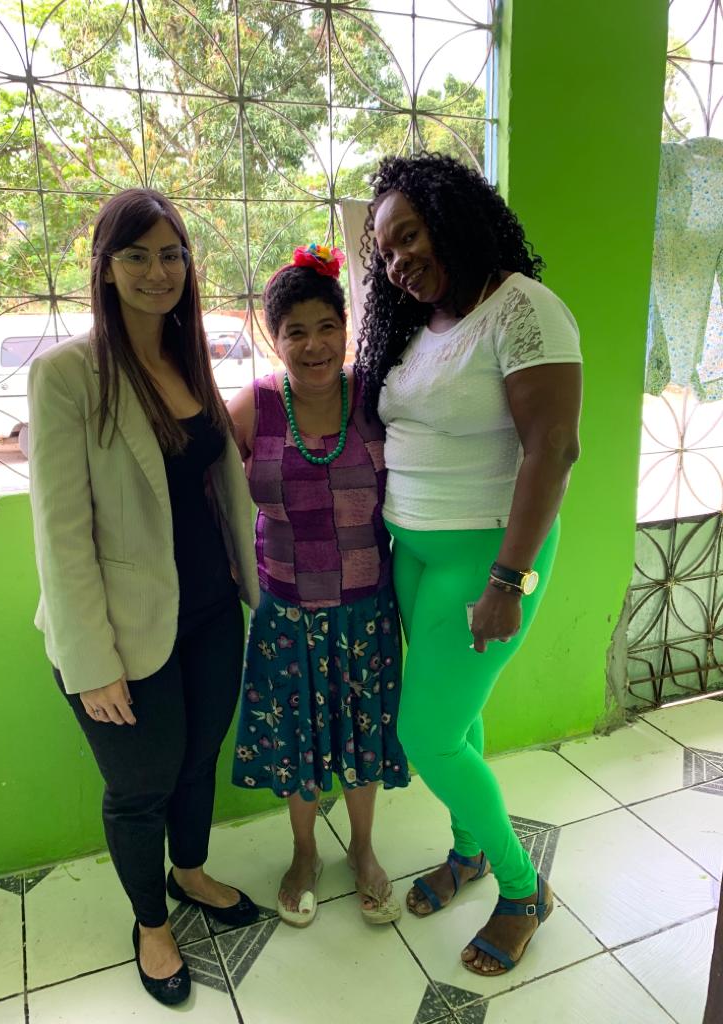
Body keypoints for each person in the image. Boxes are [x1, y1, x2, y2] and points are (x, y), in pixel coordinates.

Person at [28, 188, 260, 1006]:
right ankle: (151, 923)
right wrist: (90, 663)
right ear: (105, 267)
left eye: (172, 254)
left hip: (211, 611)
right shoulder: (67, 375)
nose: (157, 271)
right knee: (140, 786)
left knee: (199, 759)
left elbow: (214, 485)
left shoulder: (189, 357)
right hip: (121, 632)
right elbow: (61, 536)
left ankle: (189, 870)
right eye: (137, 255)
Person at [356, 153, 582, 976]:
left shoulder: (524, 309)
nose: (397, 261)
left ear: (452, 218)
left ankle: (523, 891)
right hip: (413, 551)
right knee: (457, 723)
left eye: (409, 236)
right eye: (385, 251)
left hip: (486, 556)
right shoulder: (420, 324)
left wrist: (507, 582)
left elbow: (553, 449)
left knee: (425, 734)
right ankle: (468, 850)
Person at [228, 243, 409, 928]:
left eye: (327, 327)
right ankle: (304, 854)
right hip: (286, 613)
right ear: (273, 339)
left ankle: (362, 849)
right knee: (297, 740)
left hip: (367, 610)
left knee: (363, 736)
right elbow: (206, 488)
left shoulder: (375, 398)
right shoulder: (255, 406)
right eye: (295, 331)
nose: (313, 345)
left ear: (345, 328)